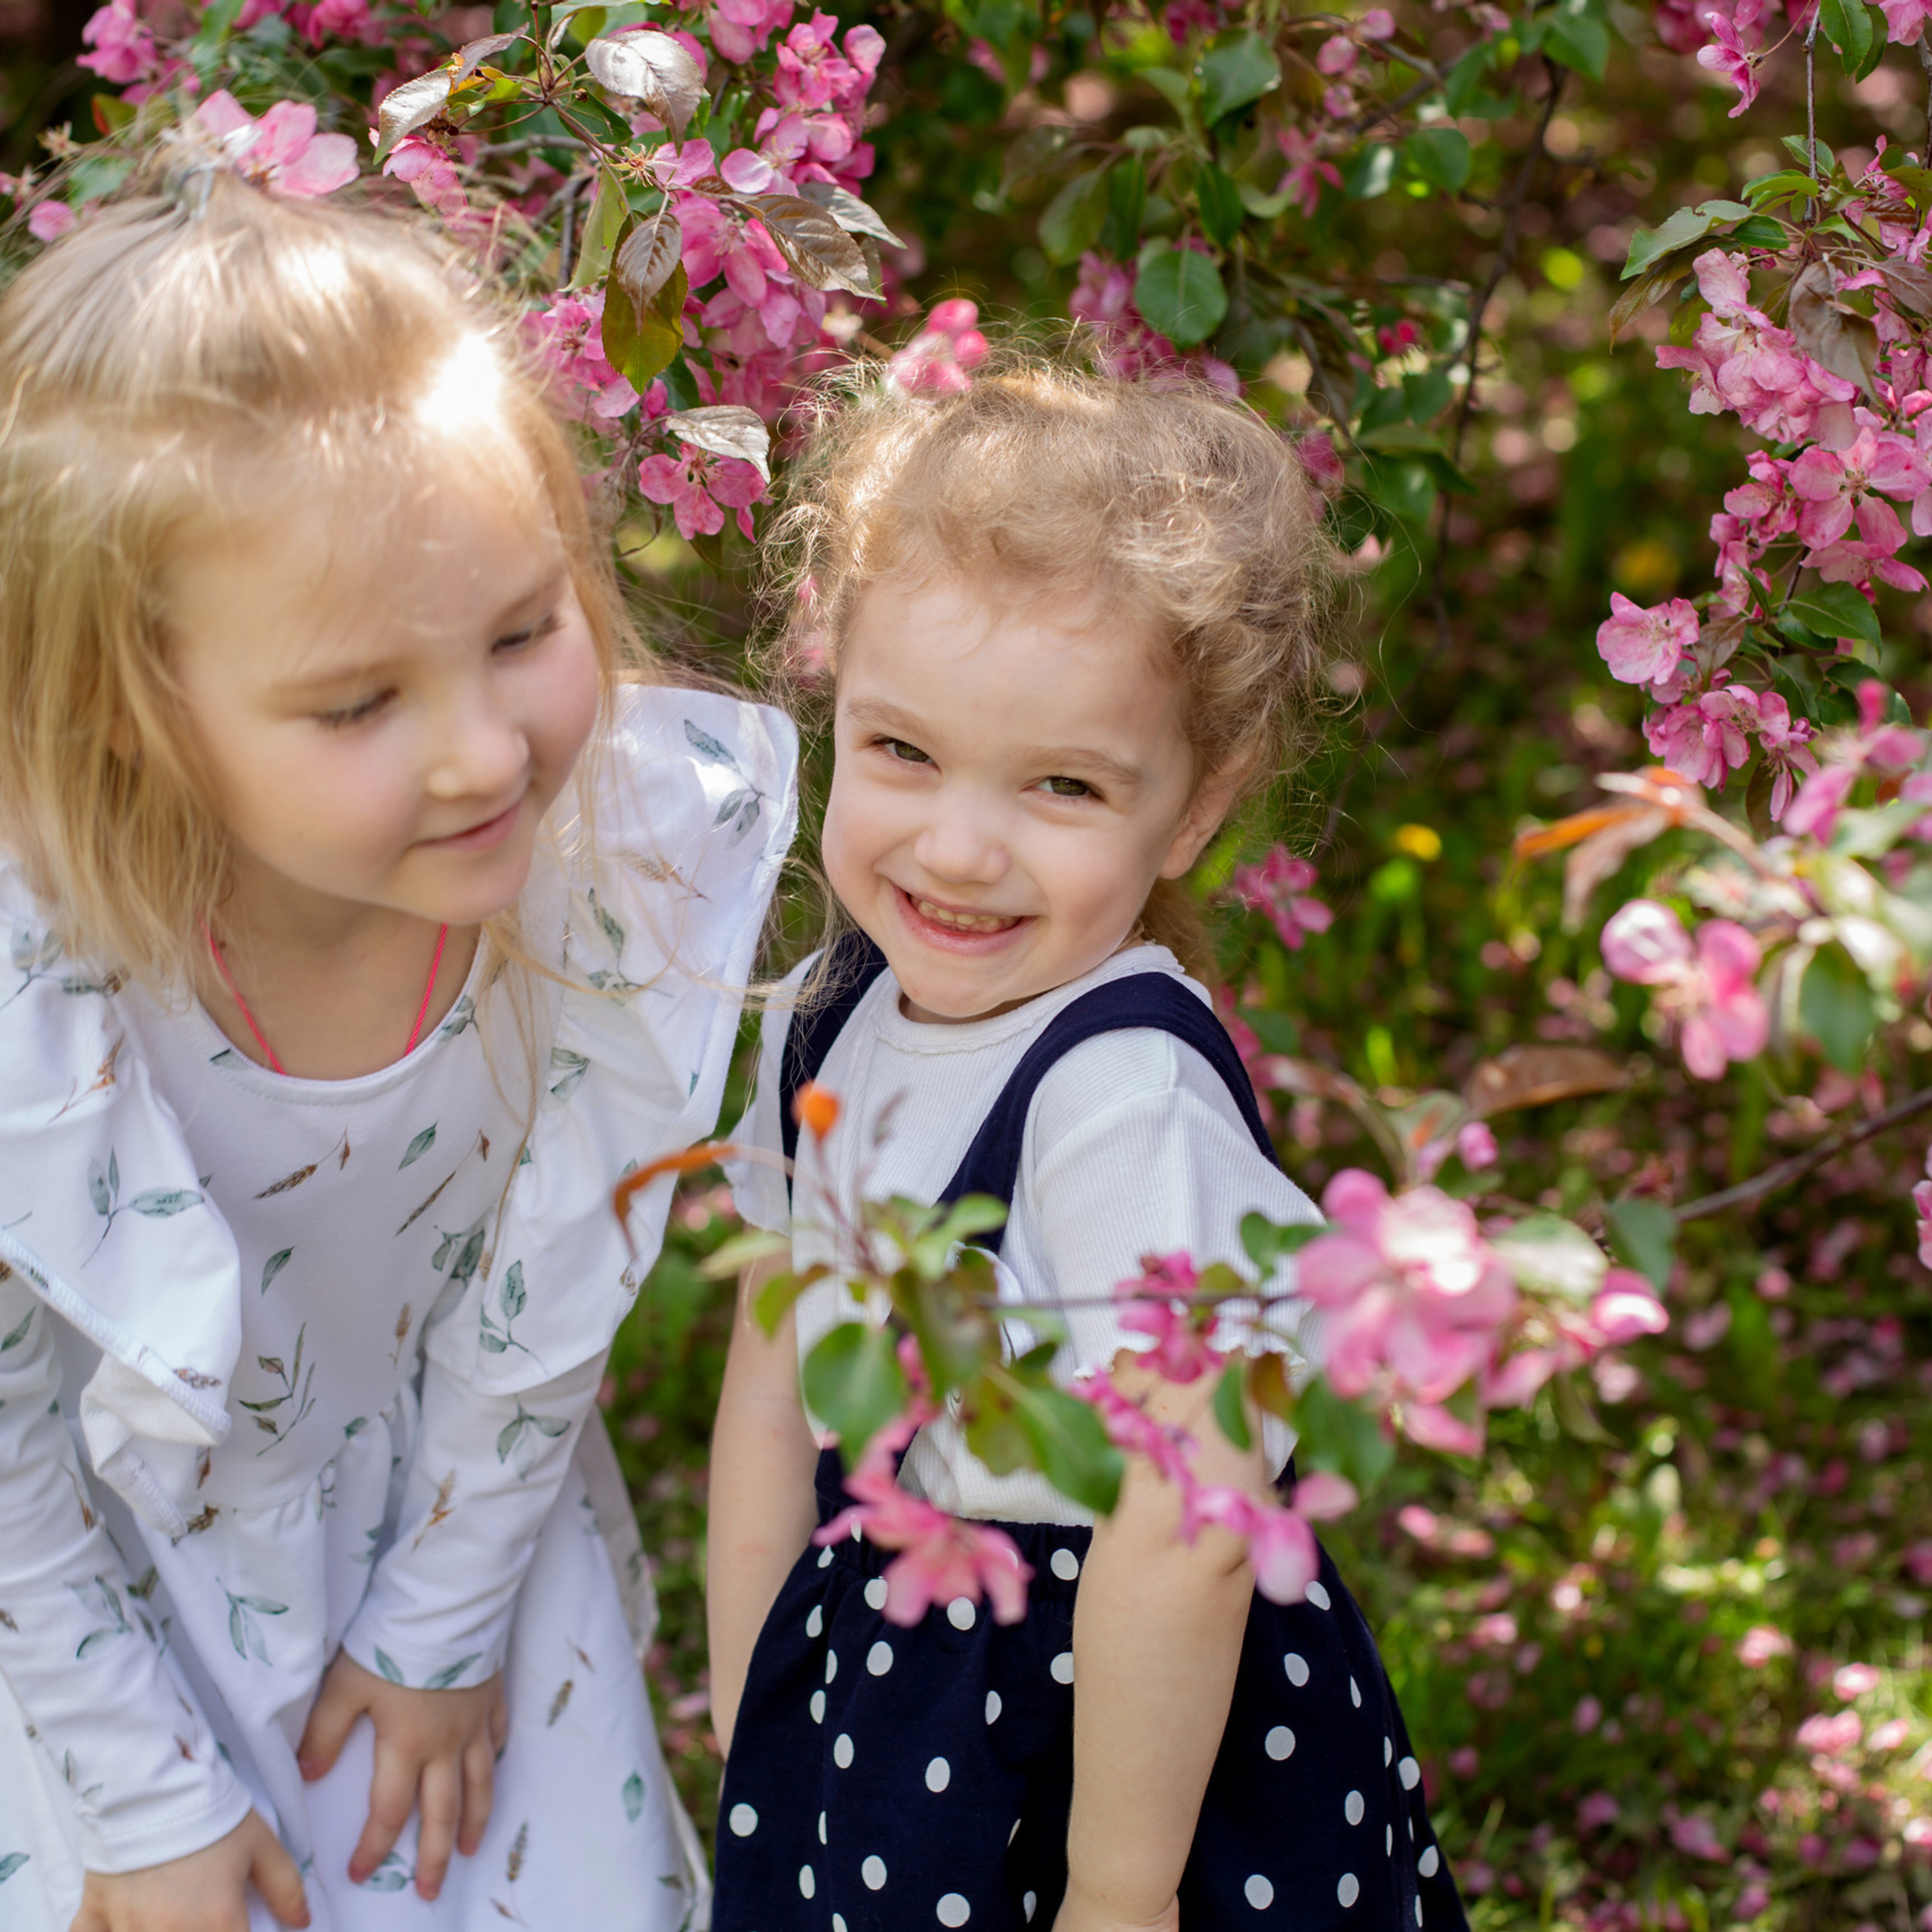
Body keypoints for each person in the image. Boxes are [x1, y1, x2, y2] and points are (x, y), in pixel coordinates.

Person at [0, 174, 795, 1932]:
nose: (483, 751)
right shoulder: (37, 994)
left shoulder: (601, 864)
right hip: (92, 1618)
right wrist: (139, 1800)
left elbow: (555, 1266)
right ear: (130, 721)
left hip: (466, 1537)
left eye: (522, 629)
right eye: (361, 702)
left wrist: (443, 1616)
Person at [706, 363, 1468, 1932]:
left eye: (1060, 784)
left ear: (1191, 812)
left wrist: (1121, 1888)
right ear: (834, 693)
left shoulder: (1115, 1092)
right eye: (900, 750)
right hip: (893, 1680)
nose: (958, 844)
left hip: (1118, 1735)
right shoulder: (830, 1012)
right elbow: (772, 1383)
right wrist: (755, 1722)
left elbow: (1184, 1521)